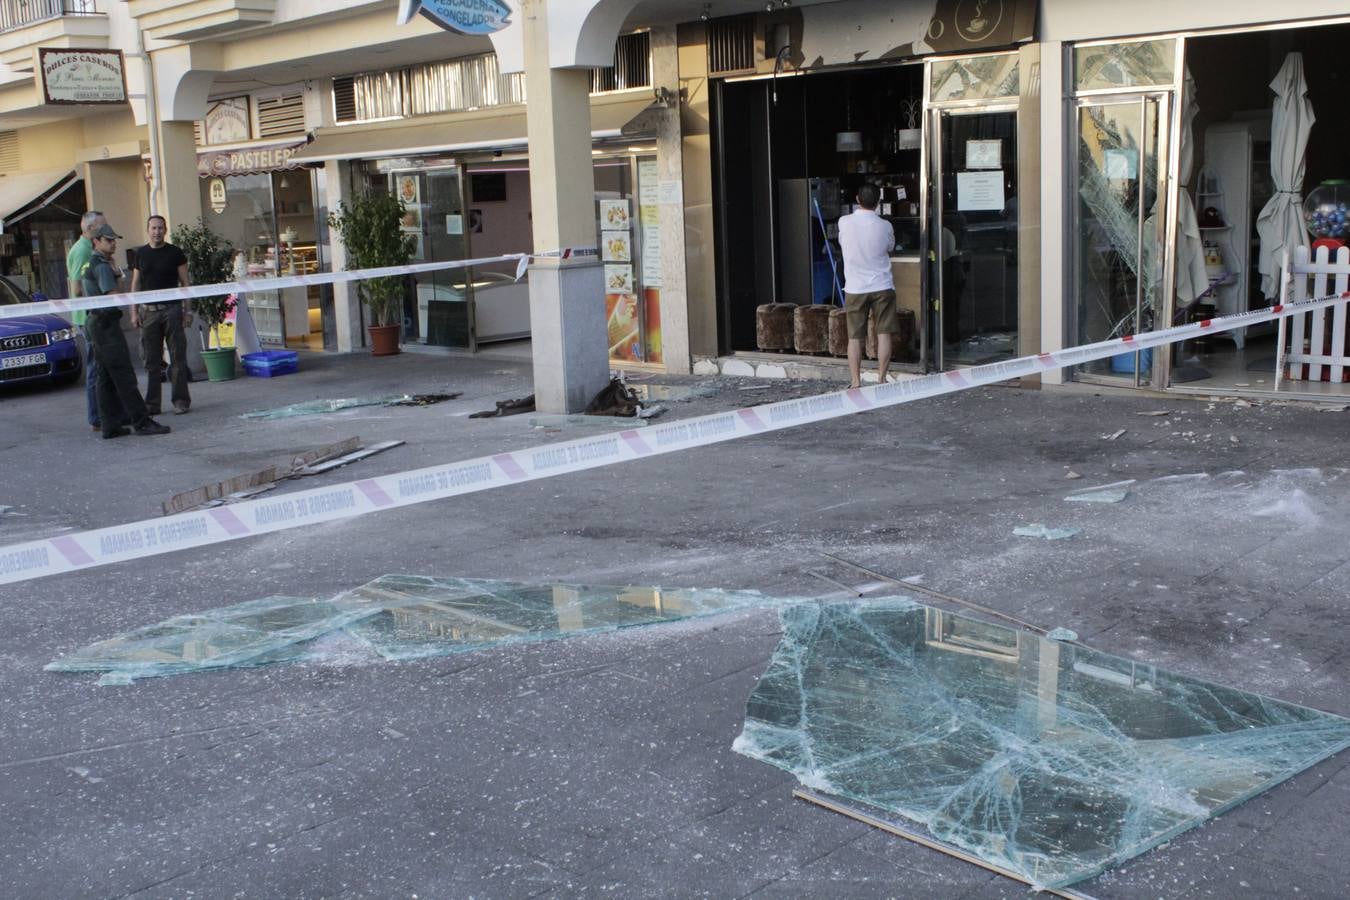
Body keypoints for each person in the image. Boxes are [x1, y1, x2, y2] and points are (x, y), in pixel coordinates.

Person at [81, 224, 171, 439]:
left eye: (114, 239)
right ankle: (141, 422)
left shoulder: (90, 263)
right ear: (96, 241)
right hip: (106, 325)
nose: (114, 243)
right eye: (109, 240)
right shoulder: (102, 266)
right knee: (124, 375)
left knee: (105, 377)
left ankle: (110, 425)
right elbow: (115, 296)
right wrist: (118, 277)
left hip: (96, 323)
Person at [66, 210, 126, 432]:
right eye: (102, 227)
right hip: (91, 316)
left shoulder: (87, 250)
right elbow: (77, 287)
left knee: (102, 367)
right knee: (96, 369)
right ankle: (98, 416)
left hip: (93, 315)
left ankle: (107, 413)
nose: (106, 231)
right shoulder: (83, 252)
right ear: (91, 231)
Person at [837, 183, 898, 388]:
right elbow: (890, 247)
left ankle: (855, 382)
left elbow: (842, 242)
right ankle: (881, 378)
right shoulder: (885, 225)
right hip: (882, 285)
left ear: (857, 199)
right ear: (879, 202)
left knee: (854, 337)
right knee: (884, 334)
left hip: (855, 287)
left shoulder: (844, 222)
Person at [130, 215, 191, 415]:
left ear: (165, 230)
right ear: (148, 230)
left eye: (160, 228)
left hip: (172, 310)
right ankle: (152, 404)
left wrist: (187, 310)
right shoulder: (141, 254)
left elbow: (185, 283)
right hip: (149, 312)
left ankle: (180, 401)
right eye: (153, 228)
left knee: (177, 357)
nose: (157, 232)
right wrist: (133, 311)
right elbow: (136, 284)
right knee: (151, 361)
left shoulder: (175, 253)